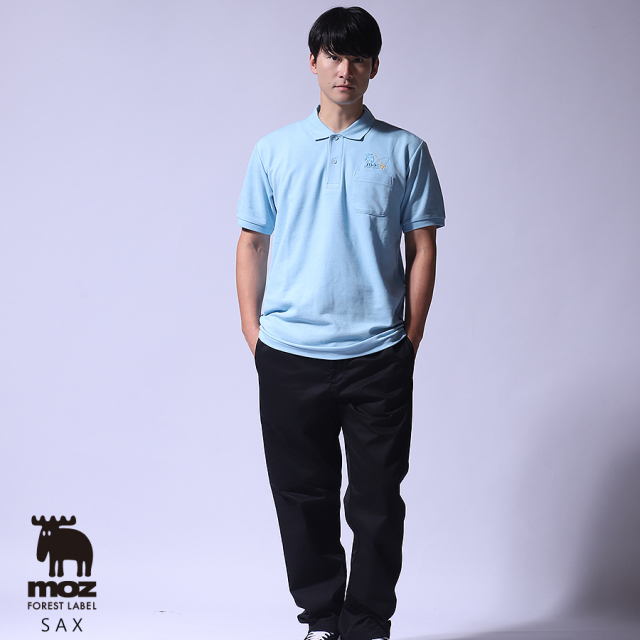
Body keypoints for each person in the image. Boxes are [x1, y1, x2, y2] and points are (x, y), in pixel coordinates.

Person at [235, 7, 444, 640]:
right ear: (313, 61)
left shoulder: (405, 150)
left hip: (377, 355)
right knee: (302, 497)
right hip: (290, 352)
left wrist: (409, 339)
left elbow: (423, 248)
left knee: (377, 499)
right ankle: (323, 619)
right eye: (332, 55)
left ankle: (368, 624)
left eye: (357, 57)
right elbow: (252, 242)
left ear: (374, 66)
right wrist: (254, 334)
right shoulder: (274, 150)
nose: (344, 69)